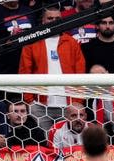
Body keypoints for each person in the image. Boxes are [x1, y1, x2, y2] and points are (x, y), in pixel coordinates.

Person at [18, 6, 85, 134]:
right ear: (43, 21)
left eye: (57, 18)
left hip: (68, 105)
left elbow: (80, 74)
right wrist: (30, 101)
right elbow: (24, 72)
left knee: (67, 143)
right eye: (50, 18)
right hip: (40, 105)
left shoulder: (71, 42)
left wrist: (77, 102)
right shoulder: (32, 42)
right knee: (44, 143)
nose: (54, 21)